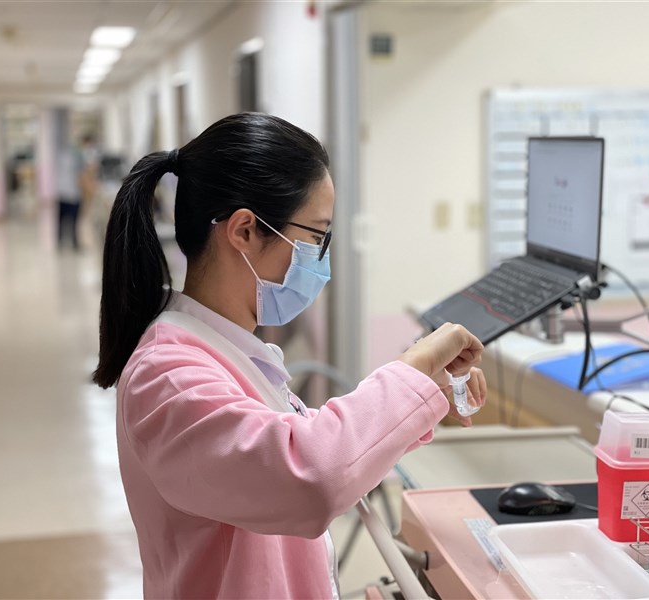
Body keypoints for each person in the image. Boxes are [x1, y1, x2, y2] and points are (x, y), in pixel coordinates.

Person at [93, 112, 486, 599]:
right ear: (244, 231)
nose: (321, 258)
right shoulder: (168, 376)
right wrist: (412, 370)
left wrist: (422, 392)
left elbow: (296, 443)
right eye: (316, 236)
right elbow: (306, 475)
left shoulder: (226, 350)